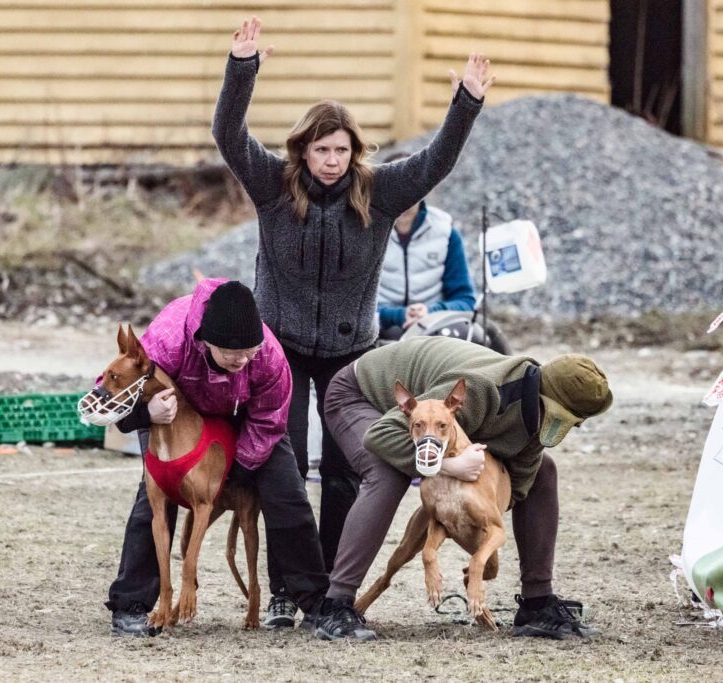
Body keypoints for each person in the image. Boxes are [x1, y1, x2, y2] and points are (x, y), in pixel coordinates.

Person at [211, 16, 495, 626]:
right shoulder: (272, 186)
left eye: (341, 149)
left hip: (352, 355)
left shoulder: (380, 190)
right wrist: (242, 68)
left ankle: (333, 591)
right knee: (280, 465)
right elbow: (229, 136)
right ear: (303, 150)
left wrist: (465, 103)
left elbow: (436, 161)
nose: (332, 160)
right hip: (278, 349)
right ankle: (291, 585)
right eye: (322, 149)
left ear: (353, 152)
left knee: (347, 471)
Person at [314, 335, 613, 641]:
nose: (574, 427)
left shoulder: (536, 418)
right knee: (388, 472)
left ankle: (537, 604)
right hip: (359, 396)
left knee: (544, 470)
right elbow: (381, 435)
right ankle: (335, 605)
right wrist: (448, 467)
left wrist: (477, 531)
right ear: (549, 400)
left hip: (411, 417)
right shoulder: (481, 389)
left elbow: (514, 490)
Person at [105, 279, 328, 637]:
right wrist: (147, 415)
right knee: (151, 501)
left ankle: (317, 604)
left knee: (288, 492)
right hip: (173, 411)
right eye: (231, 353)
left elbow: (270, 419)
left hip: (247, 417)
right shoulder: (169, 338)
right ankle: (131, 604)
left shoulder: (268, 354)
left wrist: (235, 471)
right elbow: (111, 392)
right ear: (205, 341)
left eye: (248, 351)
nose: (242, 359)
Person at [376, 171, 476, 340]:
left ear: (424, 187)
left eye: (410, 185)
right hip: (381, 326)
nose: (404, 194)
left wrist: (429, 312)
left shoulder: (446, 231)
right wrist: (399, 315)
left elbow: (465, 300)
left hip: (435, 327)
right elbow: (349, 303)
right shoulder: (364, 229)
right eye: (395, 185)